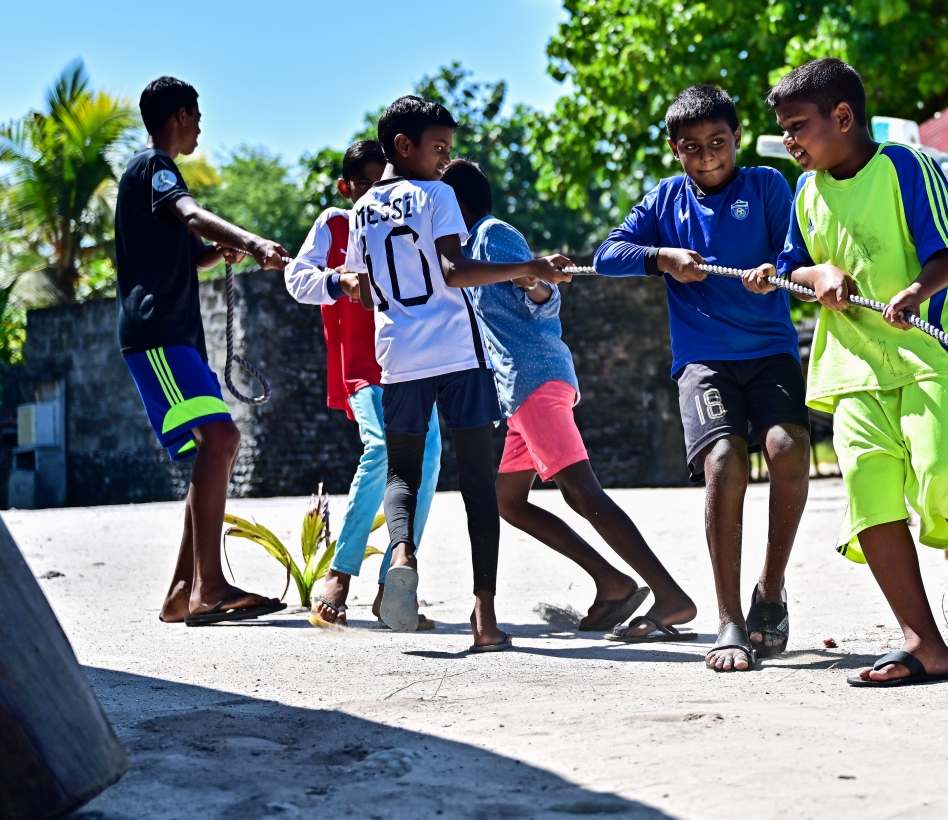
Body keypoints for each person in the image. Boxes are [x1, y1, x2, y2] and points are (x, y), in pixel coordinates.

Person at [757, 57, 948, 687]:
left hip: (933, 359)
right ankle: (924, 644)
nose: (790, 141)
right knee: (871, 499)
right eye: (784, 130)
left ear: (842, 116)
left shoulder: (904, 165)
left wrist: (915, 290)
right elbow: (792, 268)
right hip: (854, 371)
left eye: (799, 126)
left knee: (945, 477)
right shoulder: (806, 194)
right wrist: (818, 276)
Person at [595, 84, 809, 671]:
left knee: (788, 447)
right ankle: (730, 620)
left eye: (719, 142)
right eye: (692, 147)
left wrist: (777, 270)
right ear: (674, 149)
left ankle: (770, 589)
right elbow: (608, 253)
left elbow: (796, 249)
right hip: (703, 360)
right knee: (723, 463)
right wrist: (662, 257)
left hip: (770, 351)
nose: (709, 156)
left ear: (738, 138)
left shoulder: (767, 185)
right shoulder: (664, 202)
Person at [345, 95, 570, 651]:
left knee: (402, 475)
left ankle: (402, 554)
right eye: (439, 148)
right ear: (404, 146)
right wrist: (528, 268)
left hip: (397, 359)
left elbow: (360, 285)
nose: (446, 161)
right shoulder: (438, 195)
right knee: (476, 484)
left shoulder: (360, 210)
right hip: (457, 358)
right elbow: (455, 270)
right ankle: (485, 619)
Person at [442, 159, 697, 637]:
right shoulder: (469, 253)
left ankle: (670, 595)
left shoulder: (493, 234)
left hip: (534, 380)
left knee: (582, 491)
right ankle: (612, 581)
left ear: (454, 204)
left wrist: (534, 282)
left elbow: (544, 300)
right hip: (516, 392)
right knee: (509, 501)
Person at [117, 76, 291, 625]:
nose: (200, 127)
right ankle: (210, 587)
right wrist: (253, 241)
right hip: (159, 337)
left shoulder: (149, 177)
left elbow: (190, 252)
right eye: (197, 116)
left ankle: (181, 591)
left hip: (171, 339)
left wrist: (219, 254)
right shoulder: (154, 168)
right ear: (182, 113)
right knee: (222, 438)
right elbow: (191, 215)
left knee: (205, 455)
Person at [284, 140, 442, 630]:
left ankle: (390, 586)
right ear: (344, 187)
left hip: (411, 362)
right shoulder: (335, 222)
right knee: (380, 451)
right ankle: (339, 574)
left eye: (384, 184)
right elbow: (297, 278)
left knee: (430, 457)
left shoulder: (405, 220)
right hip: (361, 368)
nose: (375, 194)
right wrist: (342, 282)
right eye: (365, 186)